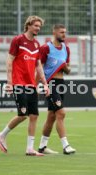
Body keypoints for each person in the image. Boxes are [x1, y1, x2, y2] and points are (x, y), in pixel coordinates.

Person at [0, 16, 49, 156]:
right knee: (23, 115)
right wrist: (9, 82)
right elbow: (9, 61)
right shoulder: (18, 40)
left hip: (31, 84)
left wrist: (45, 83)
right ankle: (2, 135)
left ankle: (30, 149)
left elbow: (38, 66)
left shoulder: (37, 45)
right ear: (29, 25)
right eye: (36, 25)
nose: (38, 28)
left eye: (39, 26)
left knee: (34, 116)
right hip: (18, 83)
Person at [37, 24, 76, 155]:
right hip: (50, 83)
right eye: (61, 32)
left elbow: (68, 70)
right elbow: (39, 68)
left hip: (61, 83)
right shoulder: (45, 48)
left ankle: (42, 147)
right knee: (61, 113)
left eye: (65, 32)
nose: (64, 34)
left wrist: (65, 67)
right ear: (54, 32)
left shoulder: (66, 49)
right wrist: (38, 85)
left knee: (51, 116)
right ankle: (66, 146)